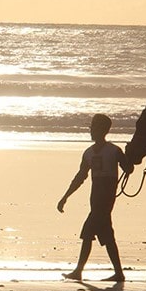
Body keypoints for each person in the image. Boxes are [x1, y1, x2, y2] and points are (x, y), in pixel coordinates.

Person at [57, 114, 133, 282]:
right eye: (91, 128)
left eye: (94, 128)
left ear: (103, 130)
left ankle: (79, 271)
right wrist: (65, 196)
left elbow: (128, 169)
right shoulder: (88, 153)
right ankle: (118, 273)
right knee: (105, 234)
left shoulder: (114, 150)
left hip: (106, 199)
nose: (91, 131)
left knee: (88, 232)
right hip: (95, 198)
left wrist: (129, 159)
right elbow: (80, 177)